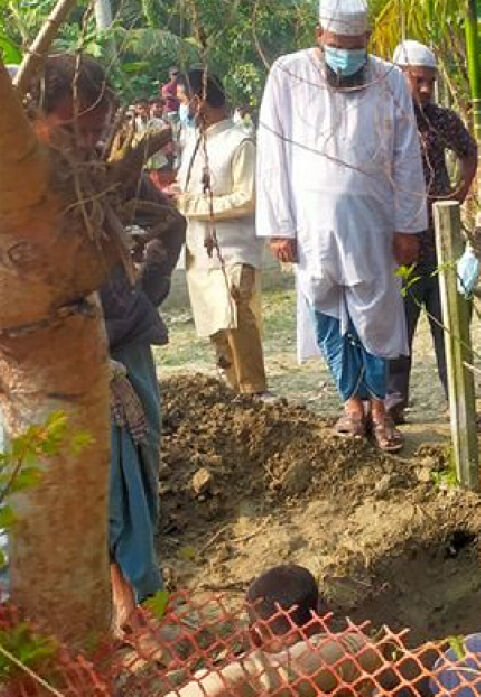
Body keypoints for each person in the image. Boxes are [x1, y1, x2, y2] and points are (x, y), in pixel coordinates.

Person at [28, 54, 186, 635]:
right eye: (71, 128)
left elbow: (170, 224)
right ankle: (111, 606)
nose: (87, 141)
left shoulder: (108, 171)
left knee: (133, 480)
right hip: (44, 364)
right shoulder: (20, 186)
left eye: (96, 127)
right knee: (77, 489)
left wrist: (141, 293)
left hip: (124, 350)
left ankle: (133, 606)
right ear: (35, 119)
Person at [256, 0, 427, 453]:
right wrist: (279, 225)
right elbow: (272, 153)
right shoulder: (287, 74)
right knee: (326, 309)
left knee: (376, 314)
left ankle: (379, 409)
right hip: (311, 224)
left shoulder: (389, 78)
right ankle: (351, 404)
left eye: (355, 48)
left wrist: (409, 226)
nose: (346, 57)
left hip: (374, 221)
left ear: (368, 42)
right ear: (319, 36)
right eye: (337, 47)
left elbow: (407, 156)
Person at [384, 40, 479, 424]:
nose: (425, 89)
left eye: (431, 82)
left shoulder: (442, 120)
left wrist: (460, 191)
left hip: (440, 242)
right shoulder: (384, 118)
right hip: (400, 244)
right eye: (418, 80)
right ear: (398, 76)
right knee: (399, 326)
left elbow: (468, 151)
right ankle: (393, 400)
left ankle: (458, 401)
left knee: (448, 324)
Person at [174, 68, 269, 398]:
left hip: (234, 249)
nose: (182, 108)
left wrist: (192, 204)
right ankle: (233, 391)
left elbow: (249, 197)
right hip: (200, 251)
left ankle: (254, 390)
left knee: (237, 318)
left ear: (199, 102)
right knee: (215, 324)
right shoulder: (193, 143)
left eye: (184, 100)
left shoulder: (239, 142)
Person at [160, 565, 394, 697]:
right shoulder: (352, 649)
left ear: (255, 635)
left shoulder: (257, 676)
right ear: (319, 618)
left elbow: (219, 686)